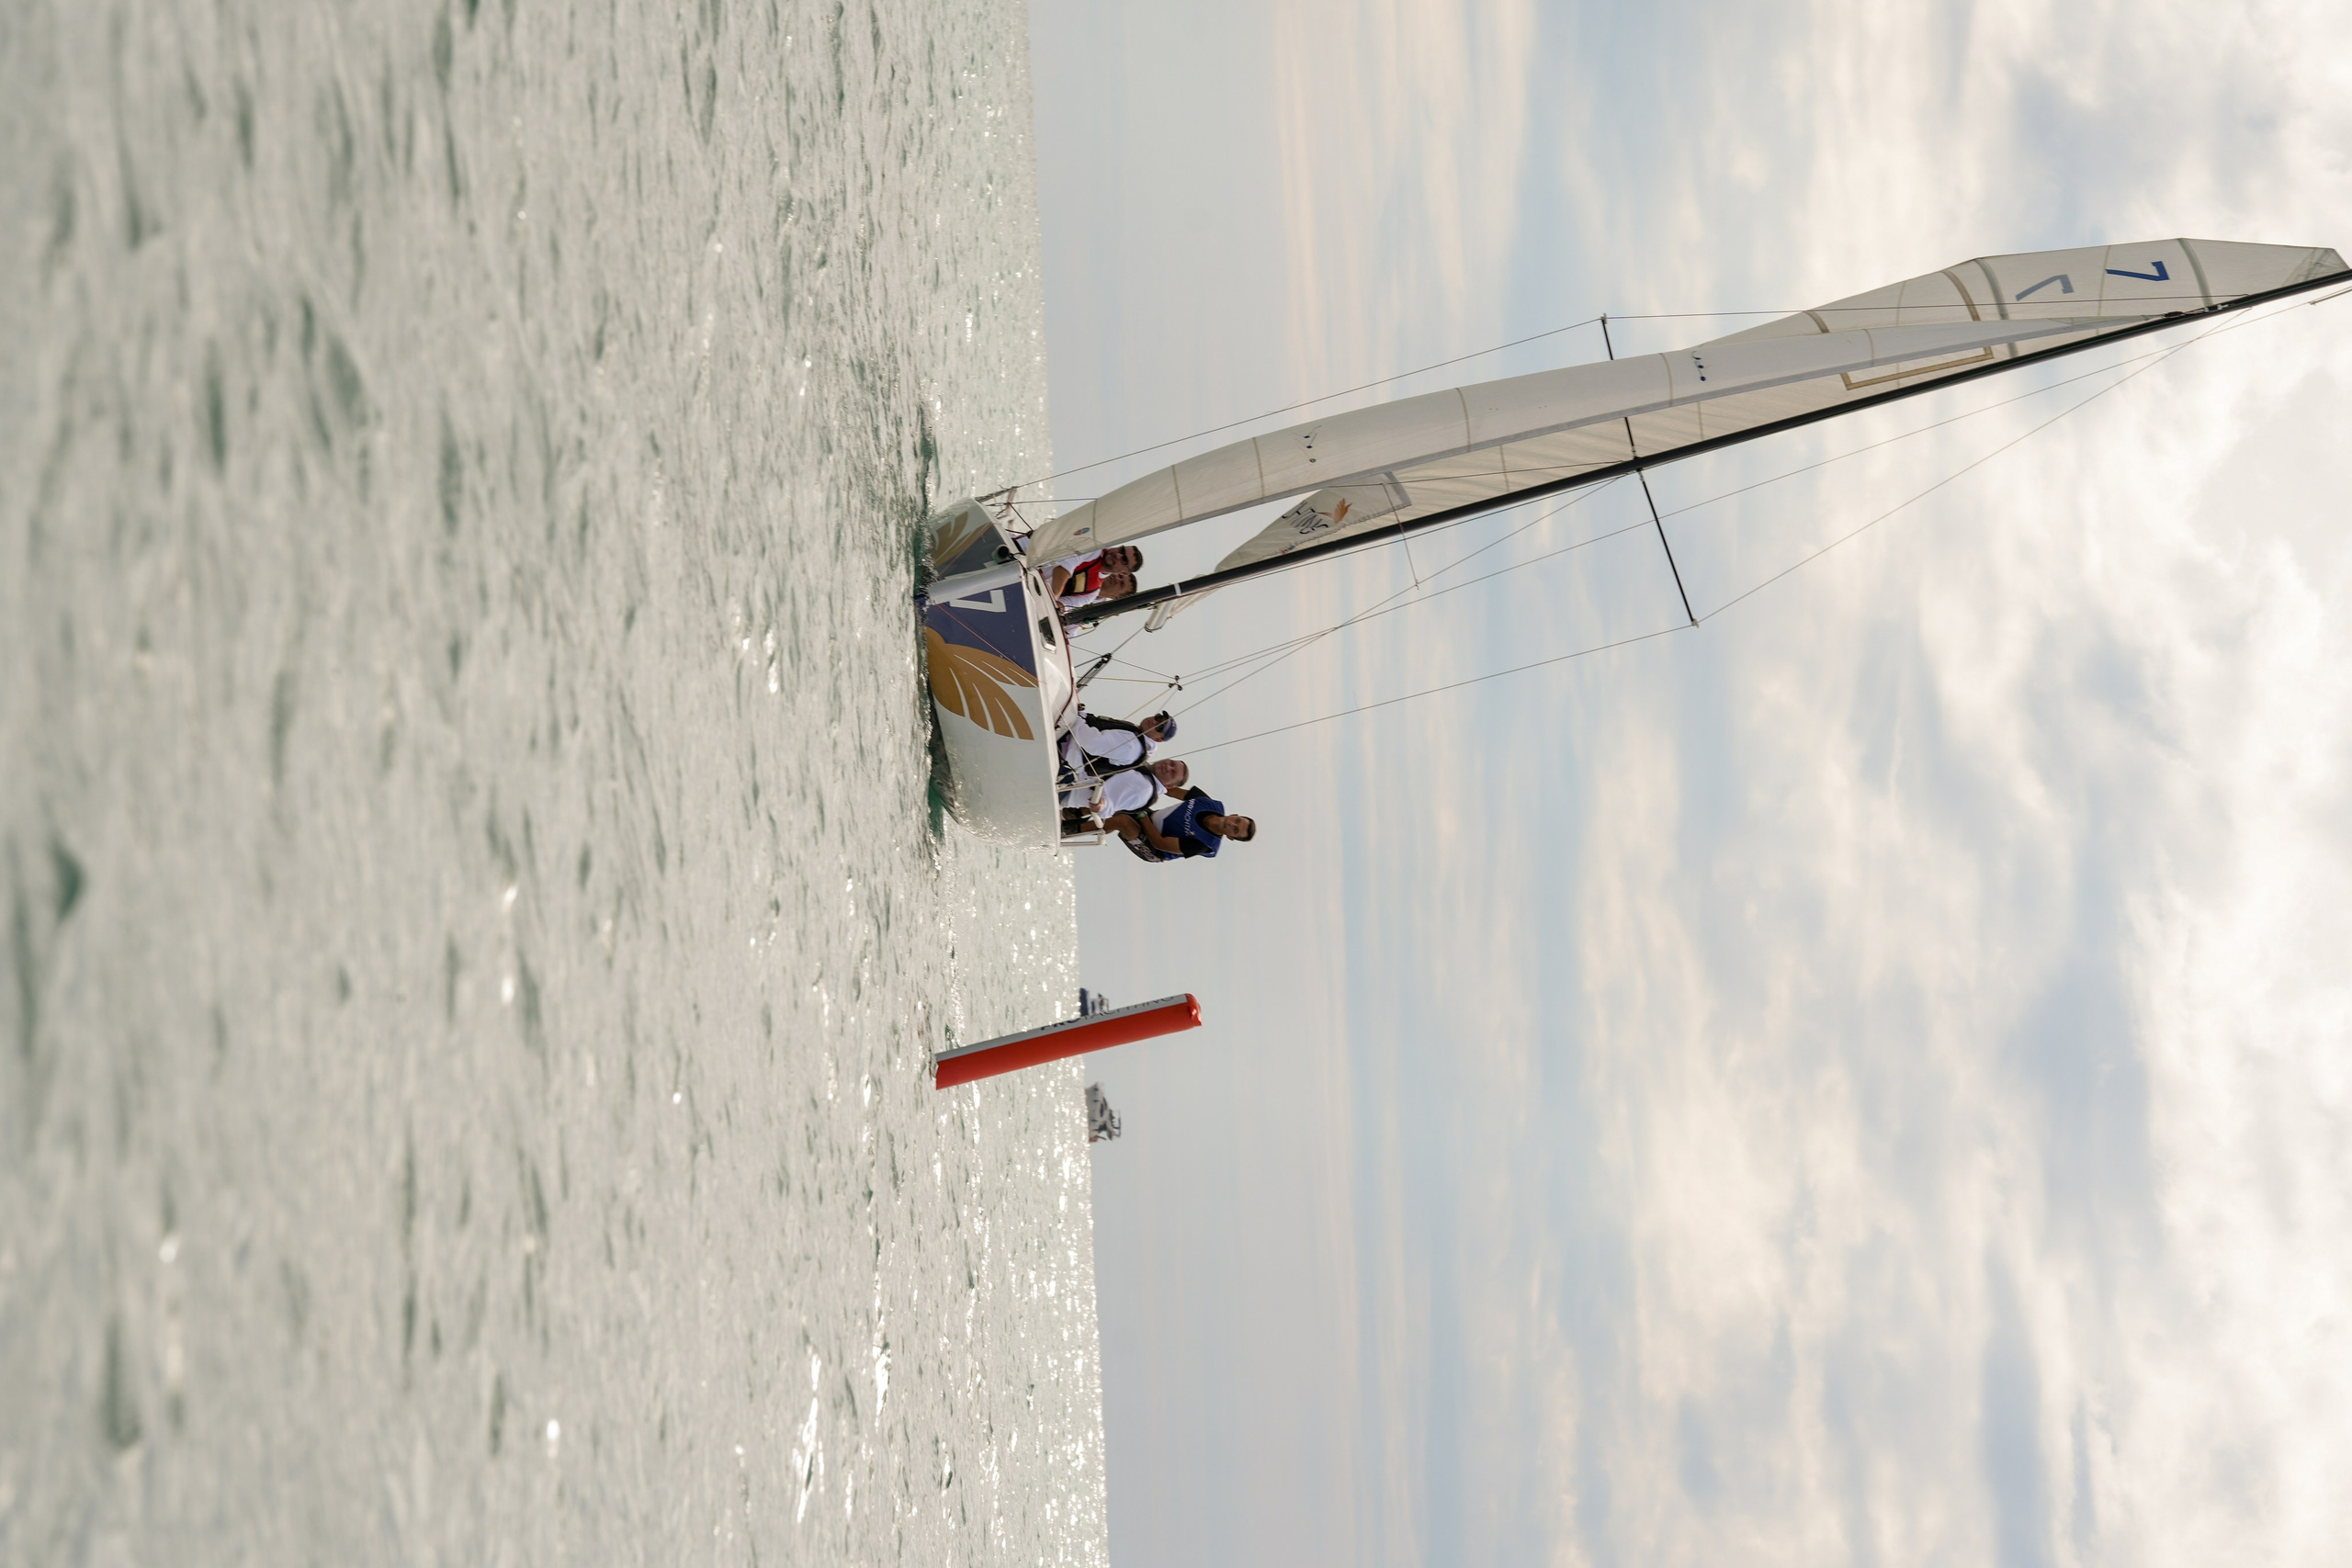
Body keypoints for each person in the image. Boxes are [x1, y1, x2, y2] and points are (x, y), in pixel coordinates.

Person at [1108, 788, 1255, 863]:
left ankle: (1084, 828)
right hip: (1150, 818)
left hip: (1153, 849)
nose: (1231, 823)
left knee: (1123, 821)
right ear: (1235, 815)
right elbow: (1170, 790)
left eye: (1234, 830)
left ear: (1230, 837)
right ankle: (1085, 810)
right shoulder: (1209, 804)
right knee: (1123, 794)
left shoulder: (1203, 844)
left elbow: (1159, 843)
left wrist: (1141, 814)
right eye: (1237, 821)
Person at [1059, 708, 1177, 783]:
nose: (1155, 721)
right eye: (1159, 718)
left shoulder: (1132, 747)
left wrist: (1076, 715)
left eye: (1160, 727)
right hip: (1065, 741)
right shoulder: (1135, 734)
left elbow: (1091, 742)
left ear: (1158, 739)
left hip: (1062, 751)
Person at [1062, 756, 1188, 822]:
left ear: (1169, 786)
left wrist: (1102, 805)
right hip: (1069, 776)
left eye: (1172, 773)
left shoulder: (1144, 790)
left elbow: (1112, 805)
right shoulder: (1143, 771)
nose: (1168, 767)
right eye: (1171, 763)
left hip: (1067, 787)